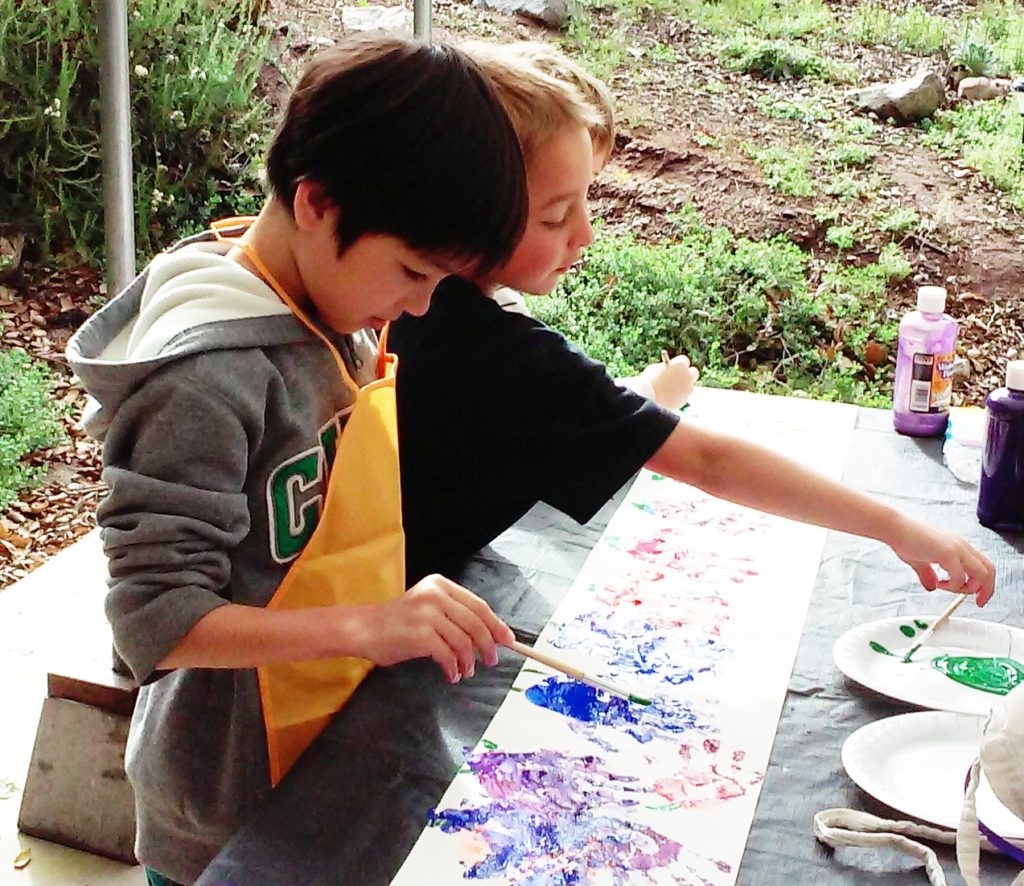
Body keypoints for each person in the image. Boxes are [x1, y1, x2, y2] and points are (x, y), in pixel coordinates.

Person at [66, 34, 527, 886]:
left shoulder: (331, 300)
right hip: (225, 795)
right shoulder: (208, 379)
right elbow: (154, 621)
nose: (420, 308)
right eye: (413, 273)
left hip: (325, 740)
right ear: (316, 203)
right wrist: (367, 624)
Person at [390, 41, 996, 605]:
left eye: (586, 199)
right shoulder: (494, 354)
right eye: (554, 217)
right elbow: (708, 461)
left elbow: (562, 411)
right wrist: (893, 526)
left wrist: (648, 394)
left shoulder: (428, 301)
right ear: (470, 206)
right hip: (386, 630)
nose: (586, 233)